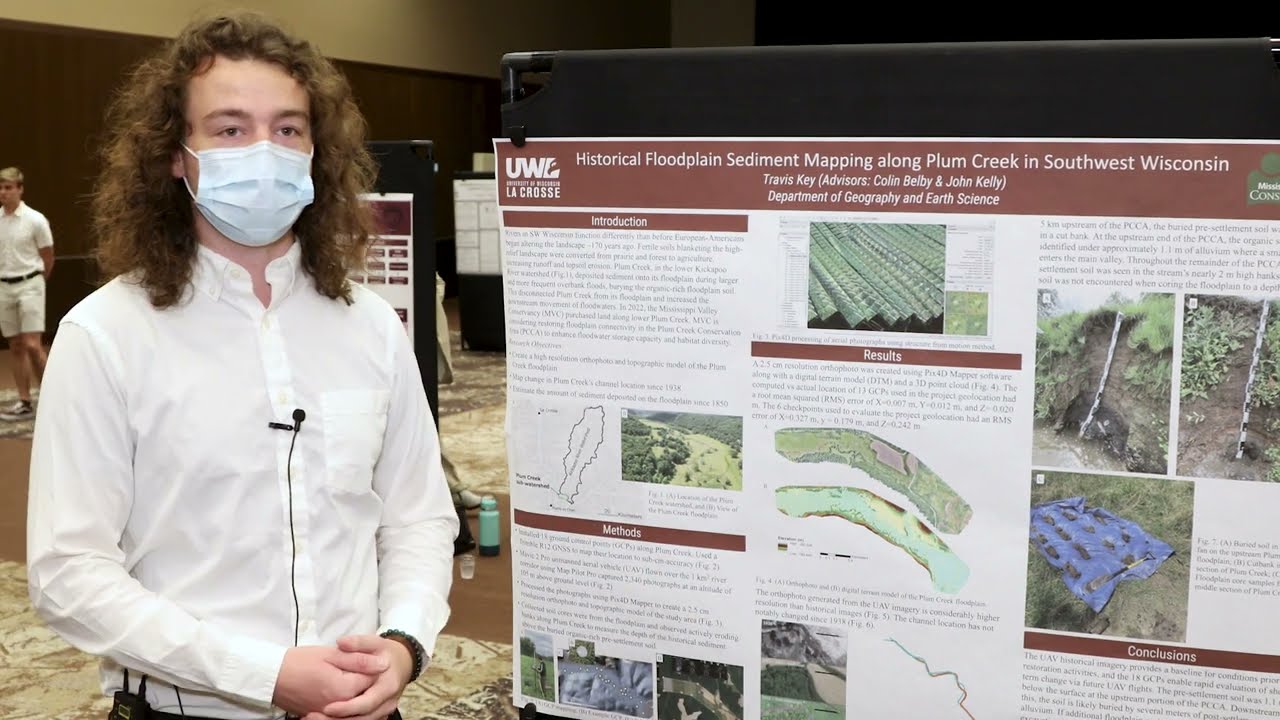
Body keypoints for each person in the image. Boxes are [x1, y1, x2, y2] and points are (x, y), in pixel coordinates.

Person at [26, 11, 458, 720]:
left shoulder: (372, 326)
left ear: (317, 151)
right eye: (230, 129)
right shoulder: (105, 335)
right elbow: (69, 573)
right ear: (176, 154)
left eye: (288, 129)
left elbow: (417, 517)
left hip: (363, 706)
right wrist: (261, 673)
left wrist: (404, 642)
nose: (265, 150)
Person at [0, 166, 53, 420]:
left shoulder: (35, 220)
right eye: (1, 187)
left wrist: (38, 280)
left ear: (20, 189)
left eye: (9, 187)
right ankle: (24, 401)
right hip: (4, 286)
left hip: (30, 283)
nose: (4, 192)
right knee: (16, 345)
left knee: (33, 344)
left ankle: (51, 397)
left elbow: (47, 256)